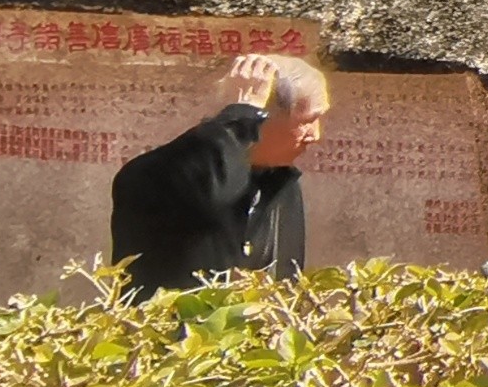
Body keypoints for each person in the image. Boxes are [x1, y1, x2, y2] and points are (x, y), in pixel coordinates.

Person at [108, 52, 328, 293]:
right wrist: (242, 114)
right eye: (308, 119)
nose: (315, 136)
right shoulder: (156, 175)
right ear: (263, 117)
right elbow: (213, 194)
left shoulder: (280, 180)